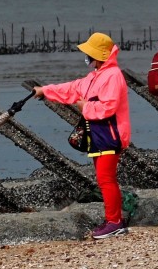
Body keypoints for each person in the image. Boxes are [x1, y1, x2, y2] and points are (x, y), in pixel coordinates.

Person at [32, 33, 132, 240]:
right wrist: (45, 90)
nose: (86, 56)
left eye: (89, 53)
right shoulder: (96, 75)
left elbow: (108, 108)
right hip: (99, 134)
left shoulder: (112, 75)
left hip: (110, 135)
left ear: (99, 55)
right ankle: (113, 219)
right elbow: (72, 88)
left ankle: (115, 223)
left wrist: (84, 106)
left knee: (106, 180)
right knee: (104, 179)